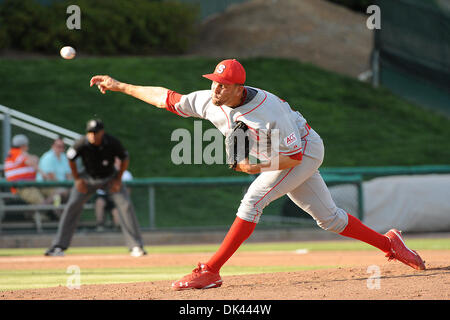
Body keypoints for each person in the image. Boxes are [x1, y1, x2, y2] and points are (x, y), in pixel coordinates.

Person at [90, 59, 426, 290]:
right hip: (279, 156)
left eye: (223, 85)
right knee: (330, 219)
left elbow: (293, 157)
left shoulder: (268, 111)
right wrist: (120, 85)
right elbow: (167, 98)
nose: (215, 90)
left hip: (302, 152)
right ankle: (390, 243)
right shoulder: (211, 100)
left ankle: (210, 271)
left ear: (239, 87)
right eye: (214, 82)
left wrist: (253, 168)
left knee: (252, 200)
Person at [44, 119, 146, 257]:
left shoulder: (111, 142)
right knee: (72, 206)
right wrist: (77, 179)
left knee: (125, 205)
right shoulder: (81, 143)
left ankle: (136, 246)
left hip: (110, 177)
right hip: (87, 178)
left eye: (95, 132)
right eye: (90, 132)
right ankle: (58, 247)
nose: (92, 135)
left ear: (102, 133)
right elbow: (71, 159)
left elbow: (125, 158)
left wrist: (118, 179)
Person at [4, 134, 59, 209]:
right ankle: (38, 214)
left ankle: (55, 209)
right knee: (41, 202)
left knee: (56, 193)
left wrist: (33, 158)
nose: (27, 146)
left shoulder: (20, 153)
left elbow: (35, 159)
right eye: (26, 145)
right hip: (21, 187)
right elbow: (31, 161)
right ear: (22, 145)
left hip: (32, 184)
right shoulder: (15, 152)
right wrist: (43, 174)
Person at [95, 157, 133, 232]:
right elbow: (100, 189)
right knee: (99, 203)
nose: (117, 163)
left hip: (119, 199)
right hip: (105, 197)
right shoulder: (105, 172)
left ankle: (117, 229)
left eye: (119, 161)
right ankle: (100, 226)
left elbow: (128, 191)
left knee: (116, 215)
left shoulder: (126, 174)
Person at [37, 137, 73, 215]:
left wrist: (69, 185)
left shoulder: (64, 157)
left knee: (72, 192)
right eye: (58, 146)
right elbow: (51, 177)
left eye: (62, 146)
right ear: (53, 146)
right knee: (59, 193)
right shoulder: (48, 157)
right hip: (46, 185)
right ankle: (45, 210)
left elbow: (68, 175)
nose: (60, 148)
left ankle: (64, 214)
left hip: (60, 186)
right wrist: (65, 186)